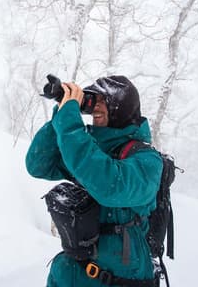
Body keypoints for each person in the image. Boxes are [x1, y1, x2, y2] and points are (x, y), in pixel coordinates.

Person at [26, 76, 163, 287]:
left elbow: (109, 185)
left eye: (103, 101)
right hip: (73, 273)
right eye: (93, 100)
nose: (95, 107)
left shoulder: (147, 160)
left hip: (120, 279)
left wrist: (70, 126)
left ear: (121, 107)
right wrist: (62, 112)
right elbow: (38, 164)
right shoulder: (87, 147)